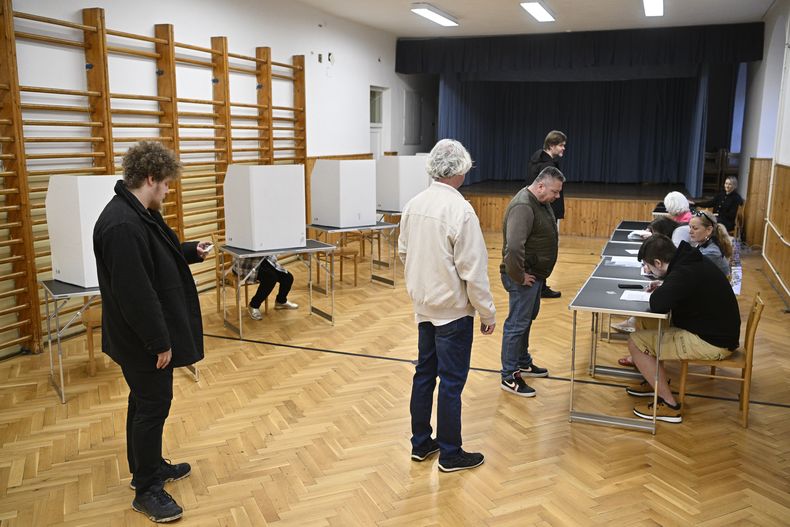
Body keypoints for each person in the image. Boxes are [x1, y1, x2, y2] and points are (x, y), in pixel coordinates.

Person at [93, 142, 211, 522]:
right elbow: (135, 294)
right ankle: (147, 490)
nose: (168, 190)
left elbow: (159, 256)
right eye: (166, 184)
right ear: (149, 179)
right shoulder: (123, 225)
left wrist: (191, 250)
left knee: (143, 402)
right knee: (153, 406)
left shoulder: (138, 213)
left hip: (139, 338)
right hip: (141, 341)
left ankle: (147, 468)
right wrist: (159, 342)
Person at [398, 139, 496, 473]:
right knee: (451, 383)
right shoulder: (461, 210)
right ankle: (451, 453)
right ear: (461, 170)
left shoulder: (414, 204)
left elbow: (403, 252)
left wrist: (421, 283)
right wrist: (487, 312)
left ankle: (421, 443)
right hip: (453, 313)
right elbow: (474, 270)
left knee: (424, 374)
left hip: (423, 307)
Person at [624, 234, 740, 423]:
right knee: (646, 322)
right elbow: (677, 291)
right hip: (714, 331)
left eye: (648, 266)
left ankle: (669, 404)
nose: (648, 270)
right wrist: (665, 285)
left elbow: (658, 304)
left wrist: (663, 289)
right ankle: (653, 381)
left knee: (635, 342)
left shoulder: (683, 272)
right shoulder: (687, 259)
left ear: (658, 263)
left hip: (712, 342)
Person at [500, 166, 564, 397]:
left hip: (534, 275)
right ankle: (509, 375)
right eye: (555, 192)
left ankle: (523, 361)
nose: (557, 196)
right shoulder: (523, 206)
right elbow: (514, 247)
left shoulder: (540, 202)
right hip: (523, 277)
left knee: (526, 320)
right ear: (540, 186)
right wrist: (518, 276)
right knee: (516, 324)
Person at [527, 130, 567, 299]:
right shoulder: (547, 166)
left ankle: (540, 284)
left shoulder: (537, 159)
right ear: (552, 145)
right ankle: (540, 286)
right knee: (545, 247)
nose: (564, 148)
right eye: (561, 145)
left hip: (542, 210)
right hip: (545, 210)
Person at [236, 255, 298, 320]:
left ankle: (281, 301)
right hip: (248, 264)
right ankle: (254, 305)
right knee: (270, 278)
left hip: (265, 261)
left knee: (287, 277)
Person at [688, 210, 732, 277]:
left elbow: (690, 271)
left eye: (695, 228)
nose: (690, 232)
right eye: (690, 227)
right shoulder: (703, 243)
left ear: (709, 230)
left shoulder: (712, 252)